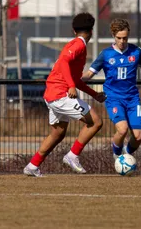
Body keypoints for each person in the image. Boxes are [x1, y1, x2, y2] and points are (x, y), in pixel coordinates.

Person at [23, 12, 106, 177]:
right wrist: (70, 86)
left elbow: (75, 78)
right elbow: (63, 63)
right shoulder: (79, 45)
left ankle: (32, 166)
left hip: (52, 94)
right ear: (91, 31)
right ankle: (72, 156)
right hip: (61, 95)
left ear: (74, 30)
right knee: (96, 122)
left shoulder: (73, 44)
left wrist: (93, 94)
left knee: (58, 132)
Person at [82, 18, 141, 160]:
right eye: (119, 38)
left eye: (125, 38)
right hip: (114, 98)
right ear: (113, 36)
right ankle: (117, 155)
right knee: (122, 129)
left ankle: (126, 156)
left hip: (132, 98)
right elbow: (89, 74)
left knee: (138, 136)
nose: (122, 41)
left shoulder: (137, 52)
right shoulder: (106, 54)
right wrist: (72, 81)